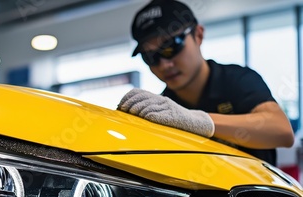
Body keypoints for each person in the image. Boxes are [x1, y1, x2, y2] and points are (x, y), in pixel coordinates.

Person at [117, 0, 295, 166]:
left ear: (199, 35)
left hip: (257, 196)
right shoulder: (164, 109)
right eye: (151, 57)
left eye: (171, 47)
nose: (164, 64)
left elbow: (282, 131)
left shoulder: (236, 80)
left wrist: (198, 121)